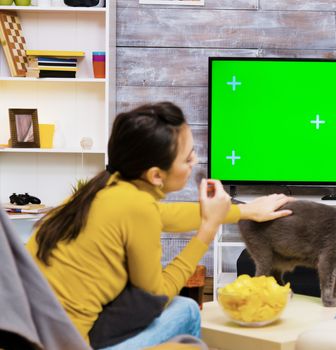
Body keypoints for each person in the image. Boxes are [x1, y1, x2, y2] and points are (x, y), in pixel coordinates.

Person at [25, 102, 294, 349]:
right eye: (187, 158)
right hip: (73, 343)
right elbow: (156, 297)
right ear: (156, 175)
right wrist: (207, 231)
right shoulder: (137, 207)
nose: (195, 163)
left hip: (32, 336)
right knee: (186, 309)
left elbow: (167, 215)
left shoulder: (103, 187)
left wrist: (244, 211)